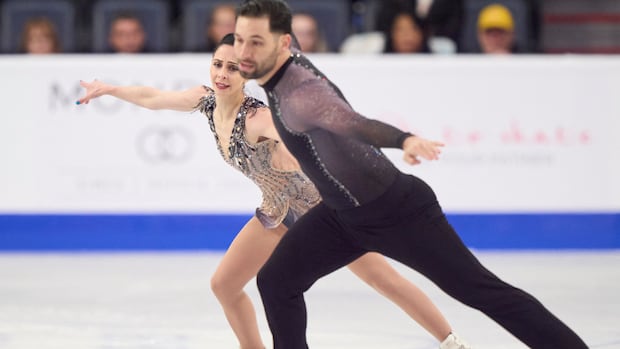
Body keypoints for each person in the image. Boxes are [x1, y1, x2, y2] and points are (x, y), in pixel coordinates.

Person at [76, 33, 471, 349]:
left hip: (325, 210)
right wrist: (109, 89)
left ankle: (452, 342)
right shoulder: (206, 101)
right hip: (276, 209)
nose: (222, 73)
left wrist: (304, 158)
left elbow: (308, 141)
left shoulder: (261, 117)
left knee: (380, 278)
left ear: (247, 74)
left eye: (233, 67)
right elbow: (153, 97)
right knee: (224, 285)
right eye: (217, 64)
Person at [232, 1, 589, 348]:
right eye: (239, 39)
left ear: (284, 43)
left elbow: (354, 123)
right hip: (343, 216)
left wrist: (404, 139)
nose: (244, 51)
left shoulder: (301, 93)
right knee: (277, 280)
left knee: (481, 291)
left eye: (256, 42)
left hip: (397, 212)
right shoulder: (277, 73)